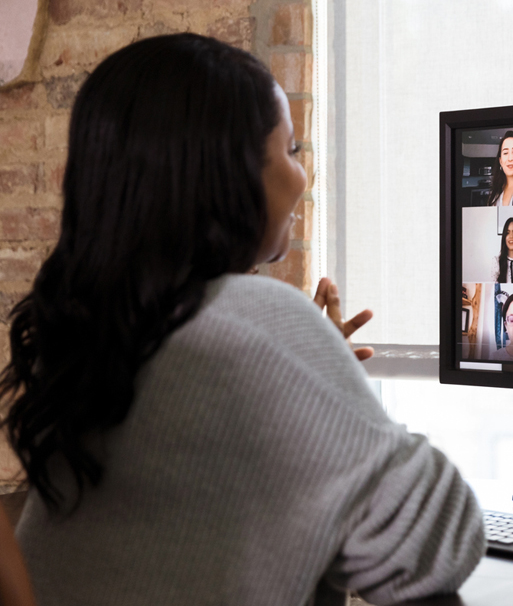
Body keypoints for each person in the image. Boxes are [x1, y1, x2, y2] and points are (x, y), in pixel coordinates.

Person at [0, 34, 484, 606]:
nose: (303, 176)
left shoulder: (97, 327)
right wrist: (325, 379)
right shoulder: (252, 319)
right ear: (230, 173)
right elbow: (436, 544)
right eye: (292, 148)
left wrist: (306, 374)